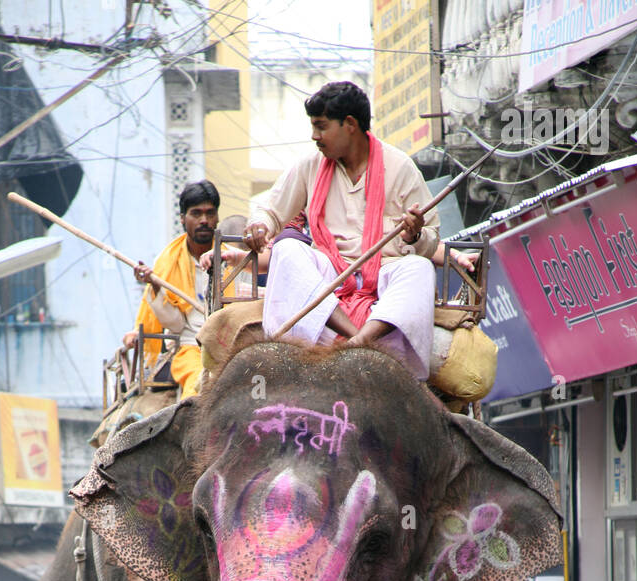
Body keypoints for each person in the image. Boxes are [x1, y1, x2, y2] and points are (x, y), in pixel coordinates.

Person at [243, 82, 474, 379]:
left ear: (349, 124)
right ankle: (358, 340)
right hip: (327, 284)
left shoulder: (400, 167)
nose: (315, 136)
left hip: (384, 282)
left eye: (321, 127)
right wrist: (259, 225)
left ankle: (364, 340)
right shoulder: (309, 166)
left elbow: (430, 240)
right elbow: (270, 211)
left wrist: (415, 234)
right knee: (287, 250)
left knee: (418, 268)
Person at [122, 180, 220, 398]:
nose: (204, 220)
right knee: (198, 386)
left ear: (217, 217)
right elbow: (175, 324)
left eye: (210, 213)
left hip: (231, 348)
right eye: (196, 213)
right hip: (191, 348)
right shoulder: (168, 261)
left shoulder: (233, 258)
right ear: (183, 219)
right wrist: (155, 287)